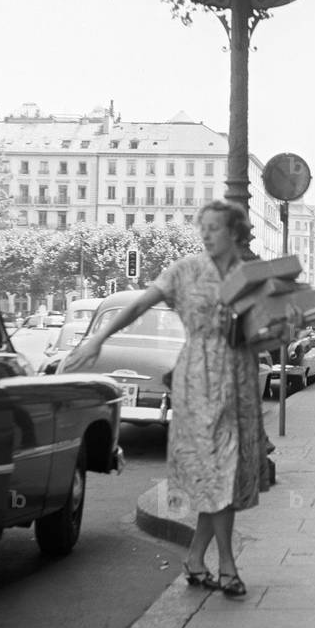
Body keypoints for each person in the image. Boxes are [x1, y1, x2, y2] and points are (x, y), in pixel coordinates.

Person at [66, 200, 264, 597]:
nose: (207, 234)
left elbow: (268, 329)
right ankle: (227, 567)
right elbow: (140, 303)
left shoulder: (250, 276)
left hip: (238, 378)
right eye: (203, 227)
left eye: (216, 227)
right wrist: (99, 338)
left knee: (222, 475)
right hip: (198, 378)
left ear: (235, 233)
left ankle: (195, 560)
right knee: (217, 473)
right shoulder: (185, 270)